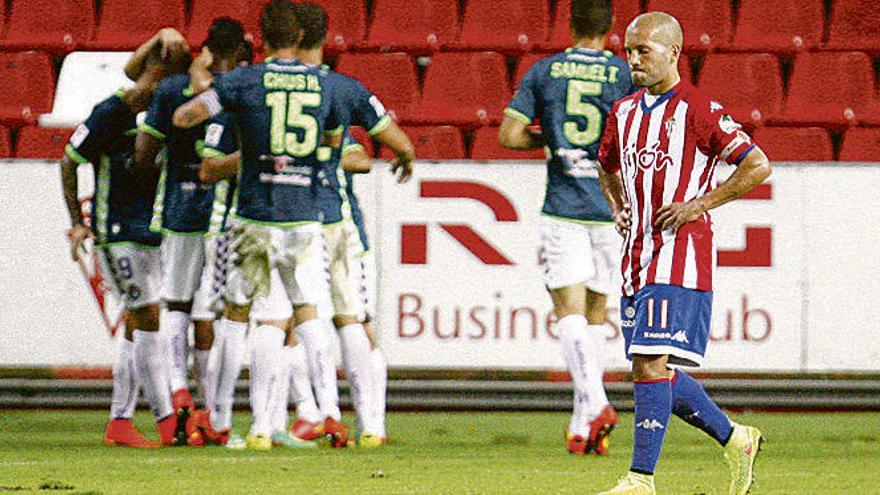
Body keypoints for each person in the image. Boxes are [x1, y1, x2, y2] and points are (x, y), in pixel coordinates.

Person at [595, 12, 770, 495]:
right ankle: (737, 439)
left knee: (650, 363)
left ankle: (640, 479)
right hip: (636, 255)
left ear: (673, 52)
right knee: (648, 369)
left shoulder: (700, 109)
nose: (633, 59)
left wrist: (699, 203)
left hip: (681, 252)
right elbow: (606, 164)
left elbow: (757, 164)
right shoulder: (624, 112)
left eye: (642, 51)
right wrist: (618, 207)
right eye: (628, 51)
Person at [172, 0, 349, 450]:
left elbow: (185, 117)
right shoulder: (326, 85)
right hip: (305, 216)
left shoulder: (243, 81)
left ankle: (220, 417)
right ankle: (329, 412)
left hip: (254, 216)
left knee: (236, 314)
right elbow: (332, 142)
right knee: (308, 312)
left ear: (263, 38)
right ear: (302, 39)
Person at [498, 0, 632, 455]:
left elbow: (509, 135)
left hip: (564, 206)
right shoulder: (624, 74)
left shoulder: (545, 71)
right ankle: (581, 427)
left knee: (569, 313)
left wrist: (550, 137)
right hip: (614, 209)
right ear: (611, 26)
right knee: (596, 314)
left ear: (570, 24)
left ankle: (595, 404)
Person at [288, 1, 414, 448]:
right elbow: (392, 138)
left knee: (297, 320)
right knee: (353, 320)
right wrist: (405, 156)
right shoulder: (343, 89)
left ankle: (320, 414)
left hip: (286, 219)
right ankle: (372, 427)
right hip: (340, 223)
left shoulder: (263, 87)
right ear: (322, 38)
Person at [60, 31, 190, 447]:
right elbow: (68, 161)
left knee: (138, 326)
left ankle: (120, 420)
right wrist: (77, 222)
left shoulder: (169, 113)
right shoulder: (111, 111)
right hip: (116, 232)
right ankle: (167, 421)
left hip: (152, 232)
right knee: (149, 318)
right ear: (154, 76)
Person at [133, 17, 249, 446]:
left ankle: (179, 389)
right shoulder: (242, 91)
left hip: (177, 207)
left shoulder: (169, 91)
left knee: (175, 304)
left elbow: (144, 154)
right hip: (222, 211)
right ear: (240, 53)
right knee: (214, 316)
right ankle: (214, 412)